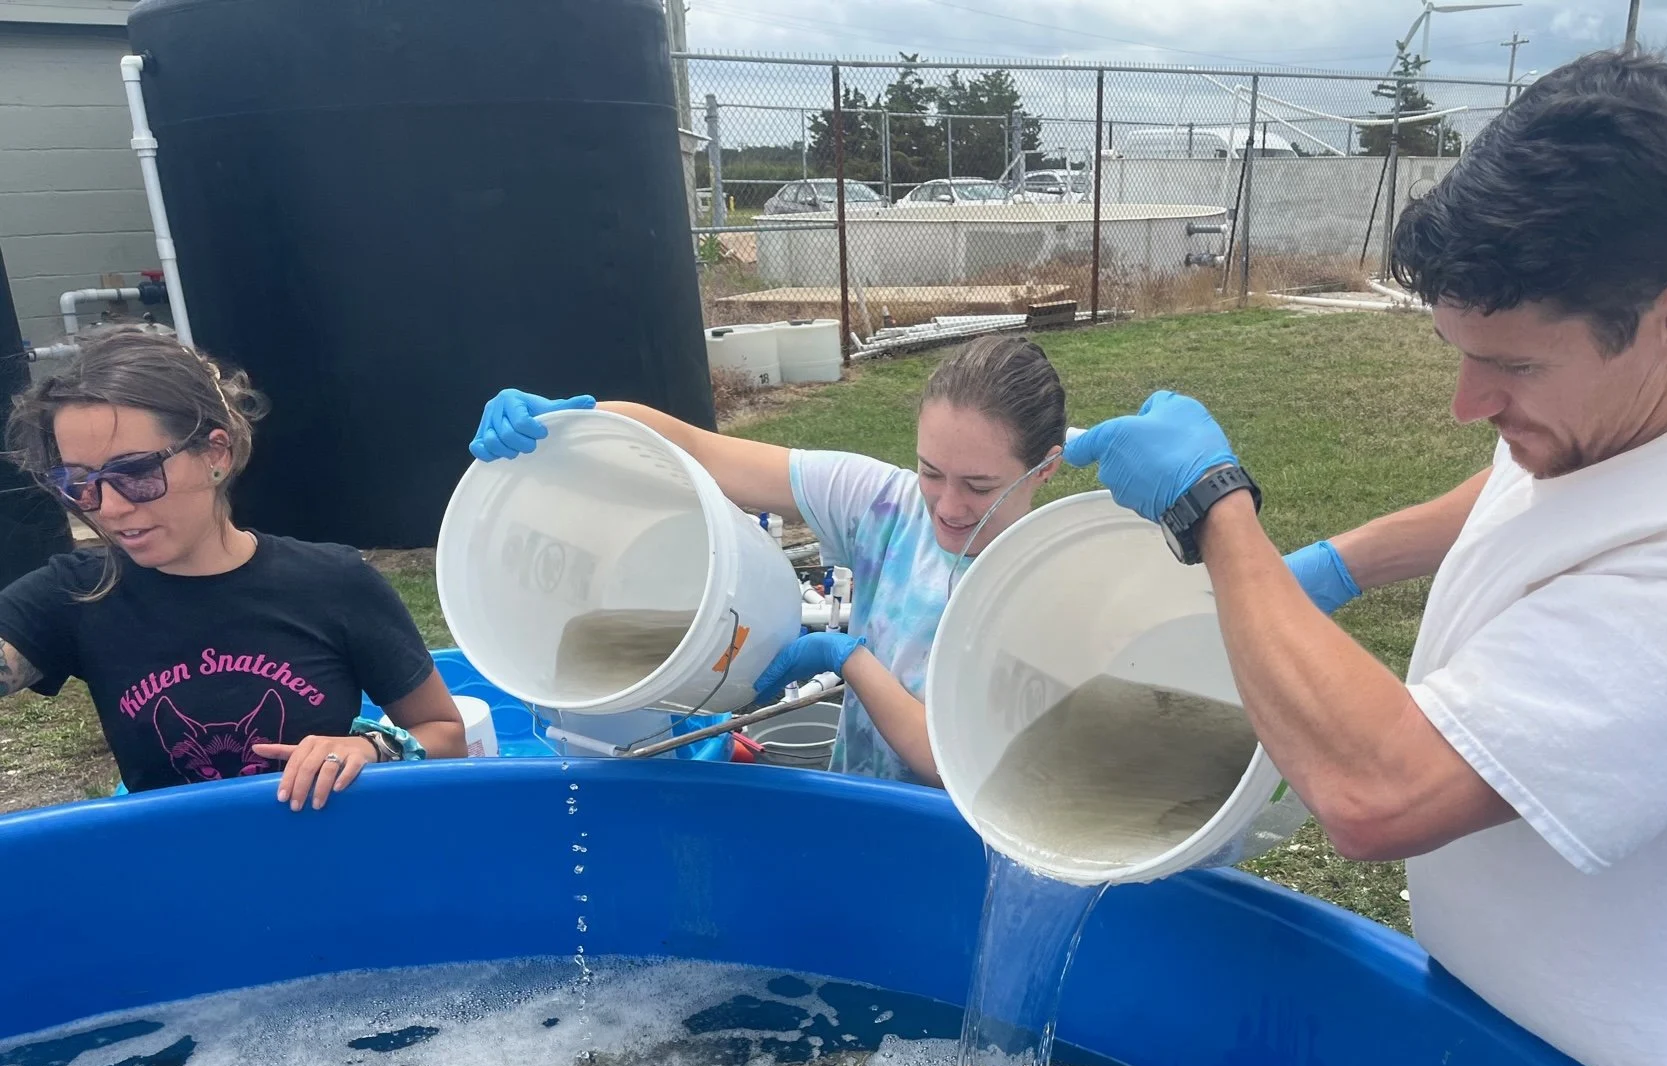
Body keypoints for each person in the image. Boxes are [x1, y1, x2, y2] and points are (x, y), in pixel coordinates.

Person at [1064, 50, 1667, 1066]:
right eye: (1461, 353)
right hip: (1551, 1056)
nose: (1472, 404)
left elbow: (1379, 794)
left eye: (1512, 364)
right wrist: (1337, 568)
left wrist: (1220, 516)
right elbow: (1524, 487)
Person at [468, 333, 1065, 785]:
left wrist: (849, 659)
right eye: (931, 471)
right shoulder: (885, 504)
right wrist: (575, 421)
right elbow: (702, 450)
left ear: (1045, 468)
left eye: (980, 487)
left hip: (958, 846)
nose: (948, 504)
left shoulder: (1050, 588)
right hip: (856, 806)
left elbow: (952, 762)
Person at [0, 329, 465, 809]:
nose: (109, 507)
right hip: (179, 867)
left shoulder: (333, 583)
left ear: (214, 454)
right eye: (79, 482)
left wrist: (371, 748)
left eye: (136, 472)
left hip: (329, 862)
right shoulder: (77, 592)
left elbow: (444, 733)